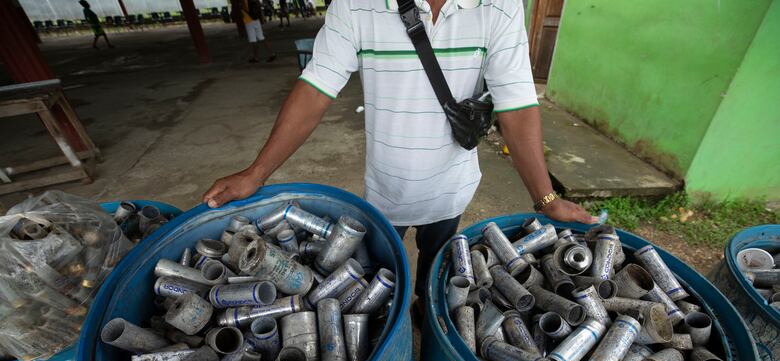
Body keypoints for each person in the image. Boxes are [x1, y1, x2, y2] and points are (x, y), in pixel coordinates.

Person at [203, 0, 596, 314]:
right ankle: (388, 313)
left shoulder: (499, 6)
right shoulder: (356, 5)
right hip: (386, 191)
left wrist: (547, 198)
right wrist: (257, 172)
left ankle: (425, 309)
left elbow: (517, 106)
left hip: (451, 187)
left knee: (436, 266)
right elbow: (315, 89)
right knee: (378, 278)